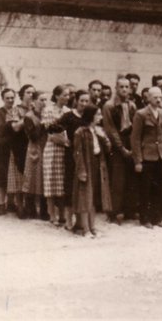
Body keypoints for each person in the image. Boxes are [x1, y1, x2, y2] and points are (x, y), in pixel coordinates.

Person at [131, 87, 162, 229]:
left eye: (160, 97)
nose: (158, 100)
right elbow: (135, 139)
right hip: (147, 156)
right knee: (145, 189)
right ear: (148, 98)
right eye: (155, 97)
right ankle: (145, 218)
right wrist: (138, 161)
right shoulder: (140, 114)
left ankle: (157, 217)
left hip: (160, 156)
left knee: (159, 189)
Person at [101, 77, 138, 224]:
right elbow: (110, 129)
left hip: (130, 141)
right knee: (117, 179)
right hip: (117, 143)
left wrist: (133, 146)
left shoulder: (132, 105)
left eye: (126, 87)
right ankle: (114, 212)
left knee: (131, 178)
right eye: (121, 87)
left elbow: (135, 126)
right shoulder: (109, 106)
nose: (124, 89)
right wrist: (122, 148)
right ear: (116, 88)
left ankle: (129, 210)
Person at [73, 105, 112, 237]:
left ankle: (92, 226)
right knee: (85, 198)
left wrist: (104, 137)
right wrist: (81, 171)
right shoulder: (80, 132)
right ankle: (85, 229)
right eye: (98, 114)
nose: (100, 117)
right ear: (91, 116)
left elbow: (107, 149)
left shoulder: (98, 131)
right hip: (86, 166)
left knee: (93, 198)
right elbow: (77, 153)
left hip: (97, 165)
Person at [58, 90, 92, 230]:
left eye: (86, 101)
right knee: (70, 185)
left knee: (83, 187)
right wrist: (64, 140)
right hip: (71, 155)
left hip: (86, 155)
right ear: (76, 100)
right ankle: (68, 220)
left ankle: (81, 220)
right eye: (82, 100)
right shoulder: (68, 116)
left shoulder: (89, 116)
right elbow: (54, 129)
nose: (84, 104)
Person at [42, 85, 71, 226]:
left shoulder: (68, 111)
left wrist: (67, 142)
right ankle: (51, 214)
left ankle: (62, 215)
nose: (67, 97)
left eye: (69, 95)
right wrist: (64, 141)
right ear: (57, 96)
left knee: (62, 182)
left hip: (64, 149)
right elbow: (50, 133)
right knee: (51, 180)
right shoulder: (48, 110)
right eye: (65, 95)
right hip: (53, 148)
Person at [7, 85, 34, 218]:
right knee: (19, 176)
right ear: (22, 94)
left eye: (33, 93)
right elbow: (15, 128)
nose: (31, 95)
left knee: (31, 176)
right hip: (19, 145)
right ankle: (20, 206)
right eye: (28, 92)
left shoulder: (37, 108)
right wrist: (28, 117)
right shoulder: (15, 110)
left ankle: (31, 206)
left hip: (33, 145)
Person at [22, 91, 49, 219]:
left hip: (46, 148)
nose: (44, 103)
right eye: (41, 100)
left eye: (46, 100)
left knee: (44, 179)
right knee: (31, 178)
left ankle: (44, 210)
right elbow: (33, 136)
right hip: (34, 148)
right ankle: (30, 209)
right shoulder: (29, 116)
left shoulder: (48, 114)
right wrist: (42, 123)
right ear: (35, 101)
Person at [0, 88, 18, 215]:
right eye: (7, 98)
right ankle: (1, 203)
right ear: (3, 99)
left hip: (14, 146)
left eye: (12, 98)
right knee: (1, 175)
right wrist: (10, 123)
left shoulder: (17, 111)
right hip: (1, 147)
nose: (10, 100)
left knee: (13, 175)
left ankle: (11, 202)